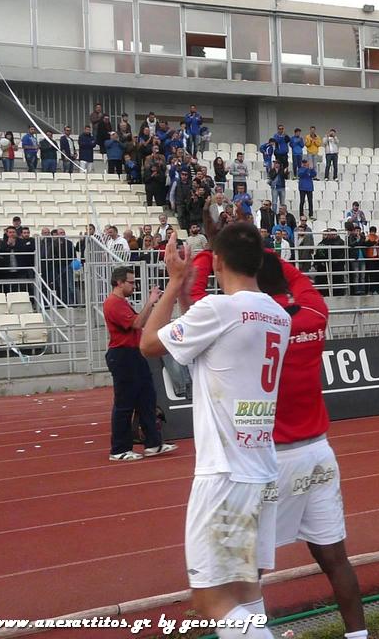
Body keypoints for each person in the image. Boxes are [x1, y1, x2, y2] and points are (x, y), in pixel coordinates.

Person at [140, 224, 291, 635]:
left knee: (210, 600)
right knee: (245, 591)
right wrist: (187, 297)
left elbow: (149, 343)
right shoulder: (278, 315)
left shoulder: (219, 310)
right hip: (261, 468)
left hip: (225, 474)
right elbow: (215, 338)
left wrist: (175, 281)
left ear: (218, 261)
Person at [102, 267, 177, 462]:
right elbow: (137, 323)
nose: (134, 286)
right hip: (123, 356)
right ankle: (119, 449)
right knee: (124, 404)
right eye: (131, 282)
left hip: (133, 354)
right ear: (119, 283)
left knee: (147, 399)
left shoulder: (121, 303)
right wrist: (150, 302)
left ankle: (153, 443)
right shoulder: (113, 303)